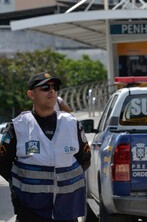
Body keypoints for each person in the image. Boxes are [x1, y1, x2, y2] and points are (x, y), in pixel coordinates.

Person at [0, 72, 91, 222]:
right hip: (30, 213)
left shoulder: (71, 124)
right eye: (45, 87)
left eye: (54, 87)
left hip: (66, 212)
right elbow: (3, 164)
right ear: (31, 94)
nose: (51, 91)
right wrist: (22, 188)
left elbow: (85, 160)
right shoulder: (17, 127)